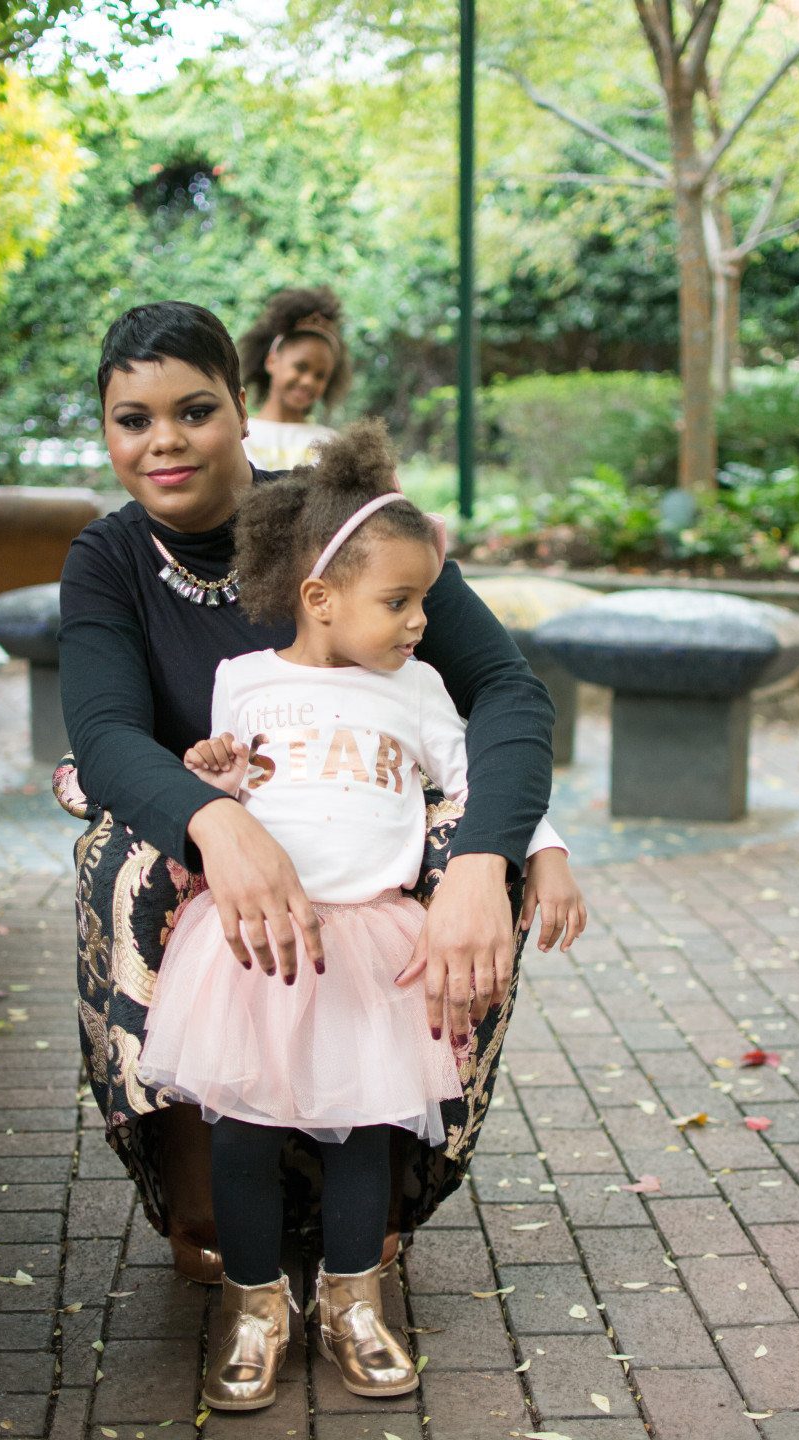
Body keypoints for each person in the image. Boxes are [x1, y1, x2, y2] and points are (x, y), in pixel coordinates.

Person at [56, 300, 582, 1293]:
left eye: (195, 410)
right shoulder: (109, 559)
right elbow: (107, 734)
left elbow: (506, 691)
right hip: (210, 821)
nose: (164, 441)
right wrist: (217, 823)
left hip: (362, 818)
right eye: (133, 419)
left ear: (241, 405)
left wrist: (486, 860)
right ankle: (206, 1204)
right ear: (109, 431)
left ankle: (379, 1199)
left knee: (476, 852)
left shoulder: (339, 525)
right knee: (120, 861)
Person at [135, 419, 582, 1410]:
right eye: (398, 601)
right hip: (261, 947)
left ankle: (354, 1300)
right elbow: (227, 783)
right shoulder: (246, 681)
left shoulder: (417, 691)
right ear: (320, 599)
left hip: (372, 940)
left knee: (362, 1135)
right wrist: (210, 771)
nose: (421, 621)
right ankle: (255, 1306)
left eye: (424, 599)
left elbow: (480, 780)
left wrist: (544, 852)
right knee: (243, 1134)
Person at [238, 286, 350, 470]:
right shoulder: (240, 435)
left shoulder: (331, 443)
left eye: (320, 375)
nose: (308, 381)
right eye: (300, 367)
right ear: (271, 361)